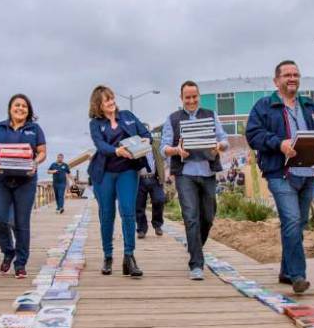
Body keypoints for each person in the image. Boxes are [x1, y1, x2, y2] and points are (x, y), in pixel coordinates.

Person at [245, 60, 314, 294]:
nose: (292, 78)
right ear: (277, 81)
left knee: (298, 223)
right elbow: (253, 134)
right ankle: (298, 276)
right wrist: (279, 144)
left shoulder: (310, 106)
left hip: (309, 173)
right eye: (287, 75)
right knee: (293, 221)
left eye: (295, 74)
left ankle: (286, 271)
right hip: (280, 173)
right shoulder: (264, 107)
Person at [160, 81, 228, 281]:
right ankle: (196, 264)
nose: (191, 100)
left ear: (199, 96)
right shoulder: (172, 119)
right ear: (181, 99)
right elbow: (164, 148)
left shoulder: (211, 115)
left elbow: (224, 139)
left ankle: (194, 246)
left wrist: (219, 146)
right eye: (187, 97)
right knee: (191, 216)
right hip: (185, 174)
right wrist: (176, 150)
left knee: (208, 216)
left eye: (194, 96)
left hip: (207, 172)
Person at [88, 85, 151, 277]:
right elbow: (100, 145)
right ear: (98, 104)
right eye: (107, 100)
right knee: (106, 215)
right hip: (104, 173)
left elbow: (146, 134)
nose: (111, 102)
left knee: (128, 212)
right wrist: (117, 151)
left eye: (112, 98)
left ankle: (129, 257)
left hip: (128, 171)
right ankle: (108, 256)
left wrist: (145, 142)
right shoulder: (95, 124)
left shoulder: (128, 115)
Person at [0, 94, 46, 279]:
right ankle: (8, 250)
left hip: (26, 180)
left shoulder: (34, 129)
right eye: (17, 105)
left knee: (21, 223)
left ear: (29, 110)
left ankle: (20, 263)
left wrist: (36, 162)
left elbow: (42, 152)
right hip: (1, 179)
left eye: (24, 106)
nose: (20, 108)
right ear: (10, 108)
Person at [136, 127, 166, 239]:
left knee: (159, 199)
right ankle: (141, 229)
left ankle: (157, 225)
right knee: (139, 205)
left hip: (155, 178)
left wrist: (166, 172)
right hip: (139, 180)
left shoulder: (156, 144)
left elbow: (164, 157)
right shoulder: (135, 147)